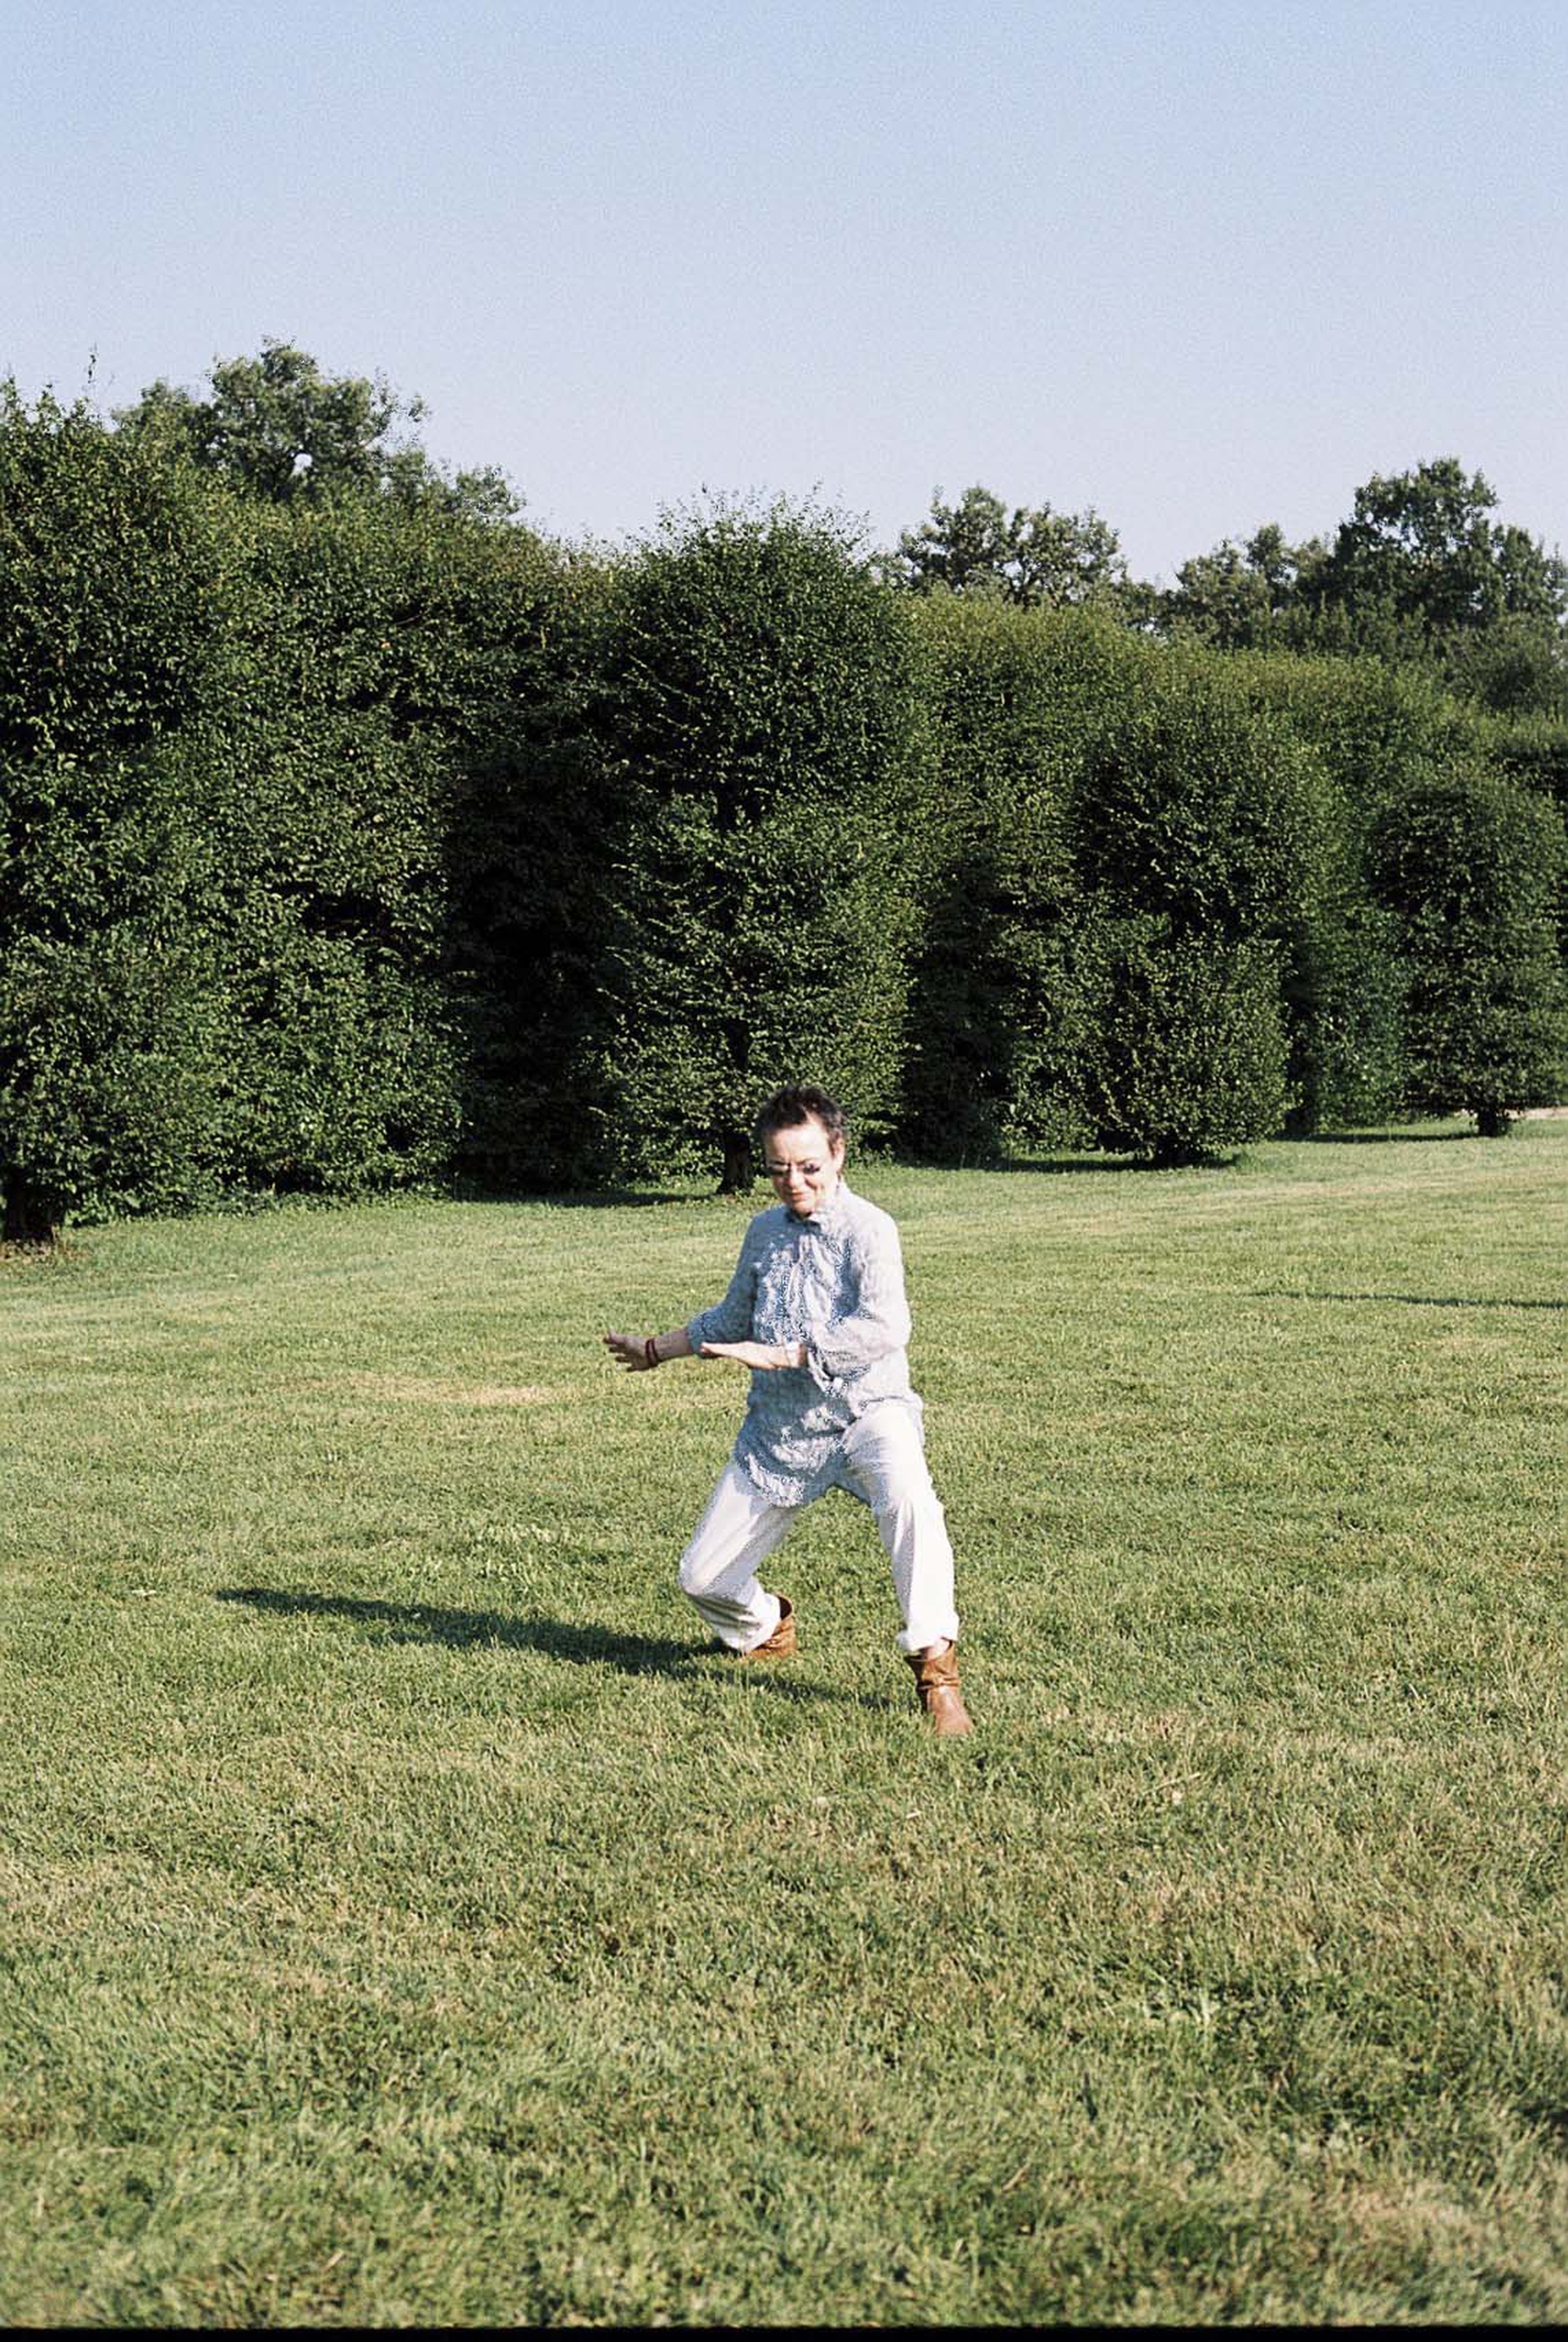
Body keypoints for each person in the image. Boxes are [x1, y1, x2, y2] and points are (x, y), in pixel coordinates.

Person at [603, 1084, 971, 1734]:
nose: (793, 1182)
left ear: (838, 1154)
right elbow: (732, 1319)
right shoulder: (764, 1232)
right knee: (702, 1577)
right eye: (778, 1169)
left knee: (913, 1503)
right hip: (779, 1431)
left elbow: (885, 1328)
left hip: (867, 1414)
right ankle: (767, 1626)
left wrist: (790, 1355)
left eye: (807, 1167)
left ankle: (937, 1676)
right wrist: (656, 1349)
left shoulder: (870, 1228)